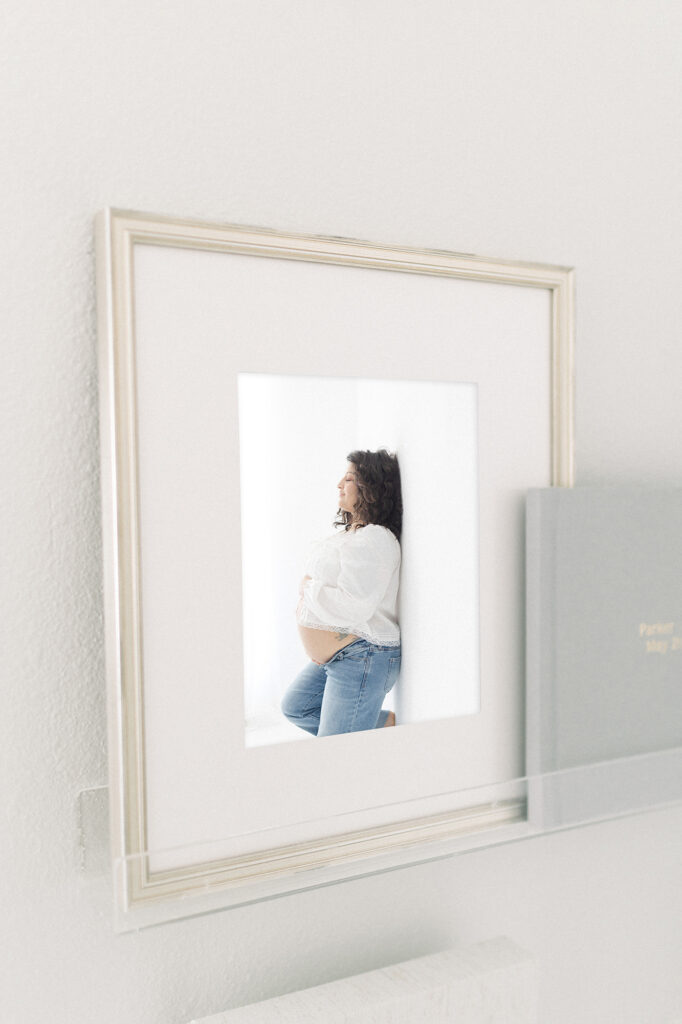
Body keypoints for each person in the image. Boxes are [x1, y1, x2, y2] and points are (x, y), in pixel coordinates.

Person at [281, 448, 402, 737]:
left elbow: (354, 607)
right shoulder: (354, 535)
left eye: (349, 479)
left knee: (335, 752)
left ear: (370, 488)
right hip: (345, 655)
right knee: (296, 707)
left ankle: (357, 728)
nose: (339, 484)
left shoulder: (376, 538)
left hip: (363, 656)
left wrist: (308, 588)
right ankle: (379, 724)